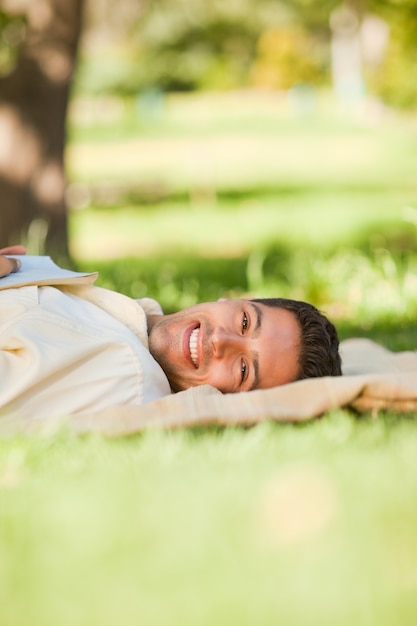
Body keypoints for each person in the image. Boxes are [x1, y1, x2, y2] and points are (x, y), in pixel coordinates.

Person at [0, 245, 341, 422]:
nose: (221, 341)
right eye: (245, 323)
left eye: (243, 370)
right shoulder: (123, 321)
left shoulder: (123, 370)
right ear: (236, 300)